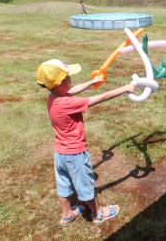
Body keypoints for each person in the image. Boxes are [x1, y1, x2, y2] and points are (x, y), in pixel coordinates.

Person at [36, 59, 136, 226]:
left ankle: (67, 214)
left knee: (64, 186)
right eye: (68, 77)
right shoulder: (68, 103)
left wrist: (92, 82)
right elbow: (101, 97)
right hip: (75, 154)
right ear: (61, 82)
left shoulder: (52, 97)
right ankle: (98, 214)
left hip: (60, 153)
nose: (70, 79)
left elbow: (71, 90)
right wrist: (125, 88)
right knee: (86, 187)